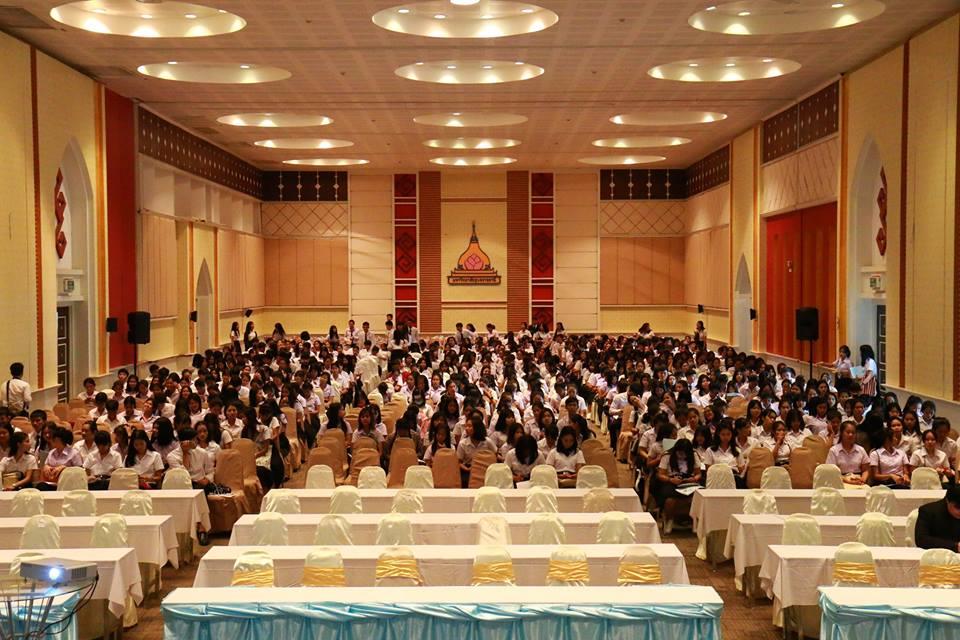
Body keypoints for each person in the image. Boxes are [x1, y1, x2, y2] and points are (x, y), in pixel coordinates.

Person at [915, 484, 960, 551]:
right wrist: (955, 546)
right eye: (957, 507)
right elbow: (921, 539)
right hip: (936, 555)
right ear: (947, 501)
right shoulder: (928, 511)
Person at [826, 421, 870, 485]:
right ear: (841, 433)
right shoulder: (834, 450)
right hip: (840, 481)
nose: (850, 435)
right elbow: (831, 472)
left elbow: (866, 470)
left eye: (853, 433)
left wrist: (863, 479)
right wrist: (848, 481)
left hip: (858, 481)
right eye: (848, 432)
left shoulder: (861, 450)